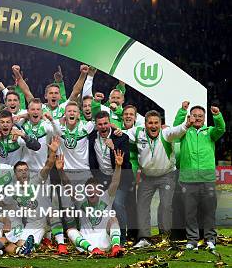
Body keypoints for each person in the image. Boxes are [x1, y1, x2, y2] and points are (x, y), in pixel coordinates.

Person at [124, 110, 191, 248]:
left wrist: (186, 124)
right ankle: (144, 238)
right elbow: (123, 134)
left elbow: (178, 130)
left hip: (166, 175)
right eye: (150, 123)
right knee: (142, 206)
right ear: (145, 124)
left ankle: (164, 237)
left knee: (166, 206)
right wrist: (116, 131)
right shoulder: (137, 132)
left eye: (156, 123)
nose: (153, 126)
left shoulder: (166, 134)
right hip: (146, 177)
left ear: (161, 124)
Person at [174, 103, 225, 251]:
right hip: (187, 179)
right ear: (190, 117)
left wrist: (217, 116)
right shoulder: (184, 132)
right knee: (190, 212)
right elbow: (176, 126)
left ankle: (210, 239)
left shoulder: (210, 132)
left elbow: (221, 129)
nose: (197, 118)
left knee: (209, 211)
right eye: (194, 115)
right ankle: (192, 240)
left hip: (207, 178)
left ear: (204, 119)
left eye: (200, 116)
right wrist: (182, 111)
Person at [65, 150, 126, 257]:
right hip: (86, 244)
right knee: (70, 230)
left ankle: (116, 246)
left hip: (105, 241)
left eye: (94, 189)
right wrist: (60, 170)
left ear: (99, 191)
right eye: (88, 190)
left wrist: (118, 166)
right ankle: (94, 250)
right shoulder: (80, 201)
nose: (91, 192)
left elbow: (115, 182)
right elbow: (67, 185)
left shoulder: (106, 197)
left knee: (113, 219)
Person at [88, 111, 132, 243]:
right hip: (102, 179)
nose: (103, 127)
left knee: (117, 204)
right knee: (103, 206)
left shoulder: (121, 138)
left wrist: (113, 148)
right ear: (96, 126)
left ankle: (122, 239)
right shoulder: (91, 138)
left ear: (110, 124)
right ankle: (104, 236)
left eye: (106, 123)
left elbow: (124, 161)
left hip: (121, 178)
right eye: (100, 124)